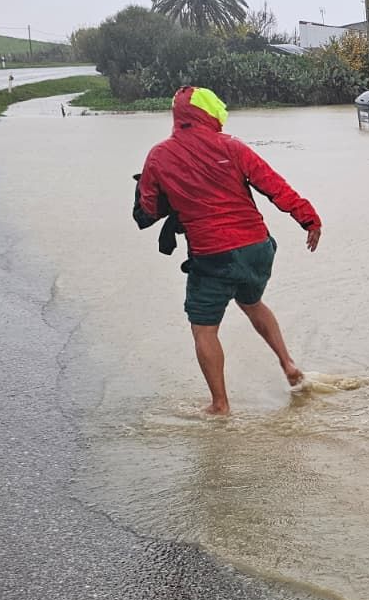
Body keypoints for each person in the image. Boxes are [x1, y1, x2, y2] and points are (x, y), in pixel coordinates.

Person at [135, 86, 322, 415]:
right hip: (257, 248)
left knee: (204, 329)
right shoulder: (232, 146)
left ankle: (220, 405)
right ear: (210, 113)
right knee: (251, 302)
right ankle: (289, 365)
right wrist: (309, 219)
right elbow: (273, 185)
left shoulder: (159, 156)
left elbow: (147, 210)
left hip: (212, 255)